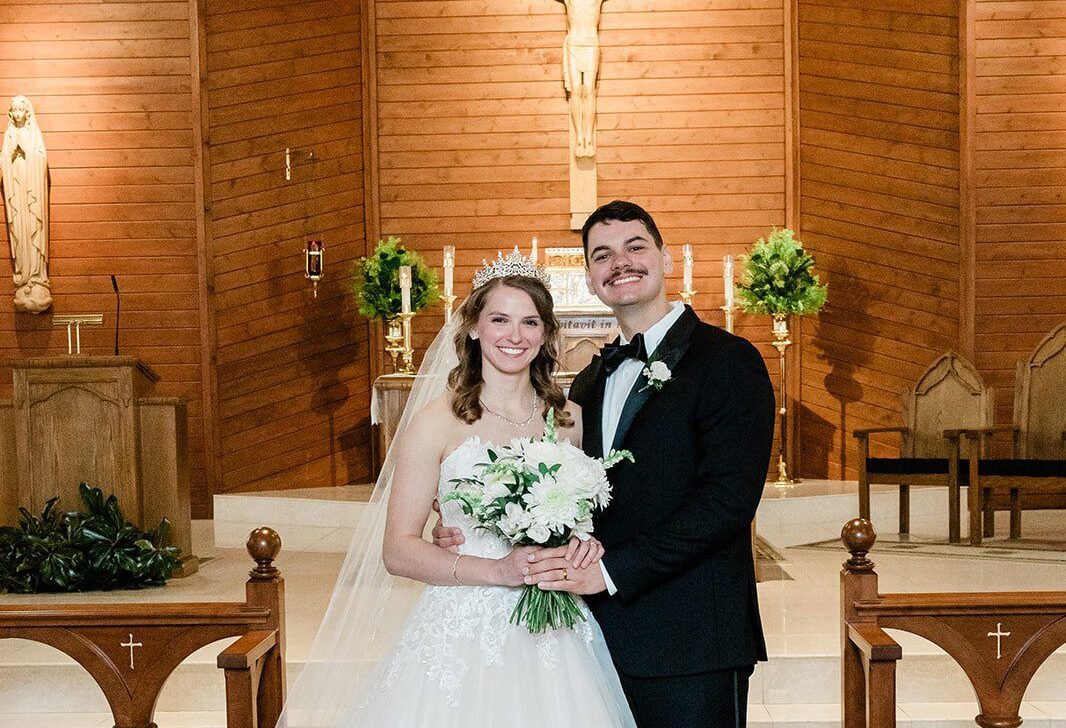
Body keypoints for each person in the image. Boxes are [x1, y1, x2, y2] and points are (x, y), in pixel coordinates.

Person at [435, 201, 776, 727]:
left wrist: (611, 571)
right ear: (591, 280)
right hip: (592, 638)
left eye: (635, 247)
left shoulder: (728, 360)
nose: (621, 262)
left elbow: (727, 504)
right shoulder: (589, 384)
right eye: (602, 255)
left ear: (664, 257)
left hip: (692, 641)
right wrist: (470, 519)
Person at [276, 254, 637, 727]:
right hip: (462, 628)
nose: (515, 335)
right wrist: (497, 570)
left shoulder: (568, 419)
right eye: (499, 319)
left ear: (547, 334)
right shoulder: (435, 423)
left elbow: (583, 520)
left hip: (555, 630)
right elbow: (398, 551)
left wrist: (581, 546)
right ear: (472, 327)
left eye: (530, 322)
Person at [1, 95, 51, 313]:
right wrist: (12, 151)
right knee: (20, 233)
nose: (19, 114)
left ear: (28, 112)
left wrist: (28, 152)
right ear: (11, 114)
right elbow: (3, 164)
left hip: (33, 195)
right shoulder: (9, 135)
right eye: (16, 110)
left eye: (22, 110)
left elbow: (42, 160)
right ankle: (24, 276)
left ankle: (38, 276)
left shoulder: (33, 134)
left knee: (33, 230)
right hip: (18, 195)